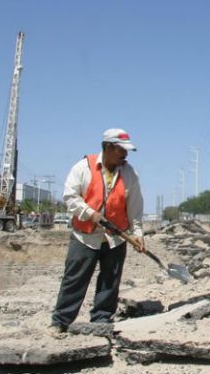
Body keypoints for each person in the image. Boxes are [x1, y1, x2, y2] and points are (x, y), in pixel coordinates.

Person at [49, 128, 144, 335]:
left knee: (110, 281)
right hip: (85, 237)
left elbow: (135, 207)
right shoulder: (83, 167)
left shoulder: (129, 173)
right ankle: (61, 321)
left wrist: (137, 233)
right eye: (122, 150)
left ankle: (101, 319)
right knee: (75, 279)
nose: (125, 155)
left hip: (115, 238)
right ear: (108, 147)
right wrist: (90, 213)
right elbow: (70, 198)